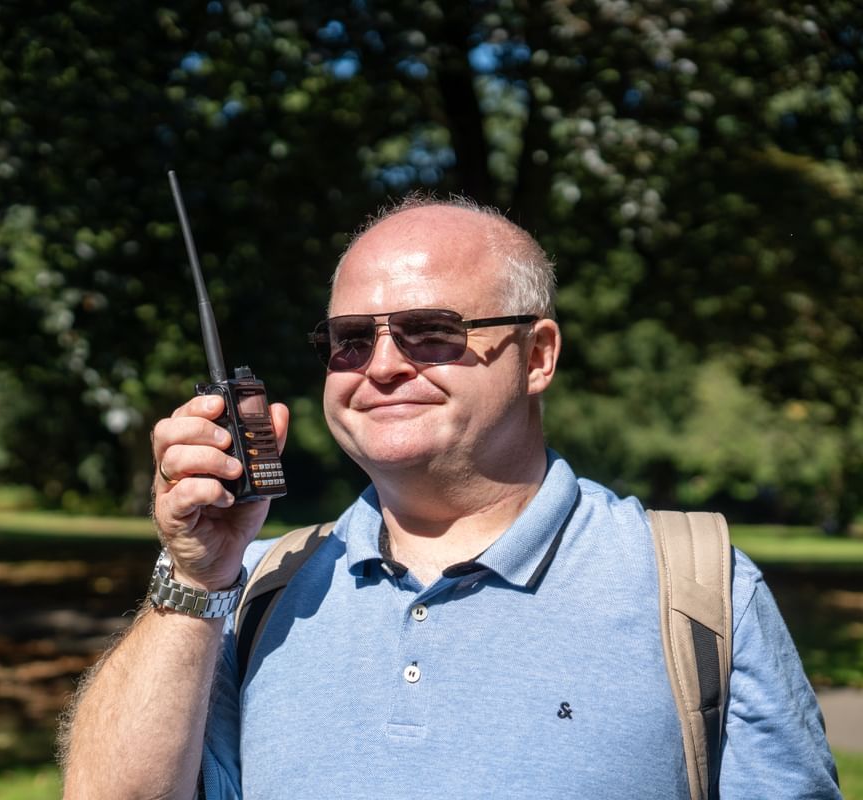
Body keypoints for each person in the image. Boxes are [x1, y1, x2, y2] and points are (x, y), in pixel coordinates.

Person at [61, 197, 840, 799]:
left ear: (538, 356)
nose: (382, 366)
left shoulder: (697, 589)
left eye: (430, 331)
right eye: (351, 340)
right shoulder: (254, 591)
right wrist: (196, 578)